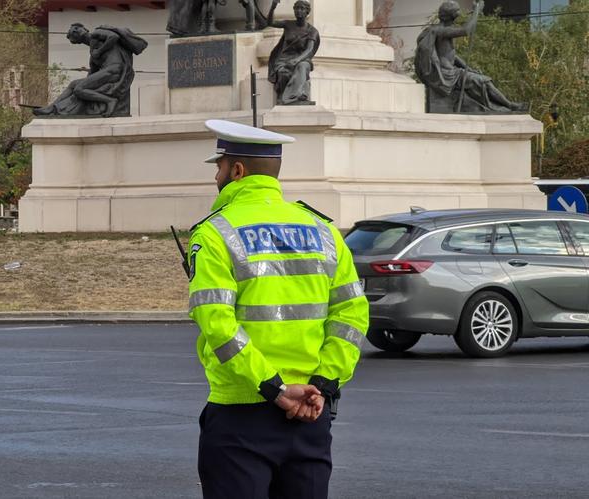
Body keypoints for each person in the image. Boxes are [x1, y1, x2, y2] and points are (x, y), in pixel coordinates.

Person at [188, 119, 370, 498]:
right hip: (311, 413)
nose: (216, 177)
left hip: (241, 413)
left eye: (219, 167)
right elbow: (352, 316)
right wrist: (323, 384)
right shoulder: (324, 231)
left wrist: (274, 388)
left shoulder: (216, 232)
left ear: (237, 171)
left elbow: (217, 324)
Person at [415, 0, 526, 113]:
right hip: (448, 76)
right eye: (457, 12)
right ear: (452, 15)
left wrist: (468, 68)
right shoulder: (441, 30)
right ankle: (510, 105)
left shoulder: (443, 29)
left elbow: (452, 56)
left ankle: (506, 105)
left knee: (480, 80)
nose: (459, 14)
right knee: (483, 81)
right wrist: (477, 10)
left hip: (454, 72)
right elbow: (466, 30)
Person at [33, 23, 147, 118]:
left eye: (76, 28)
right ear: (77, 41)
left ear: (85, 29)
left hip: (115, 68)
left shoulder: (96, 33)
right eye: (73, 32)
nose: (75, 31)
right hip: (108, 72)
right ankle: (51, 108)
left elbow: (113, 37)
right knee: (74, 84)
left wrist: (100, 51)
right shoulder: (93, 55)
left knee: (79, 89)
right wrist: (84, 88)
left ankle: (109, 101)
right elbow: (92, 73)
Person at [266, 0, 320, 105]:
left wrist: (296, 60)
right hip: (284, 59)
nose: (298, 11)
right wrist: (273, 7)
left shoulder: (312, 31)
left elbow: (309, 50)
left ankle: (297, 96)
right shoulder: (288, 24)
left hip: (302, 59)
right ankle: (286, 97)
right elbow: (270, 23)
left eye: (302, 8)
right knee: (283, 73)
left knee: (302, 66)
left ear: (307, 12)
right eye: (296, 8)